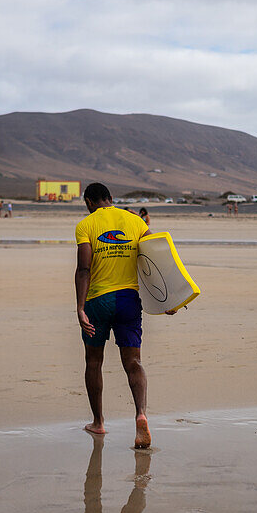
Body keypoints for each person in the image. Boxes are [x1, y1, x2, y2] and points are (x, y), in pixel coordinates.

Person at [75, 182, 161, 448]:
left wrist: (79, 307)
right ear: (111, 198)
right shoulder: (135, 221)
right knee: (133, 362)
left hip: (98, 301)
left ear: (89, 202)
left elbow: (84, 269)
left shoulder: (86, 225)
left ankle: (99, 422)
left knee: (93, 362)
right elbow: (155, 258)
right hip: (128, 300)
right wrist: (167, 299)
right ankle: (141, 414)